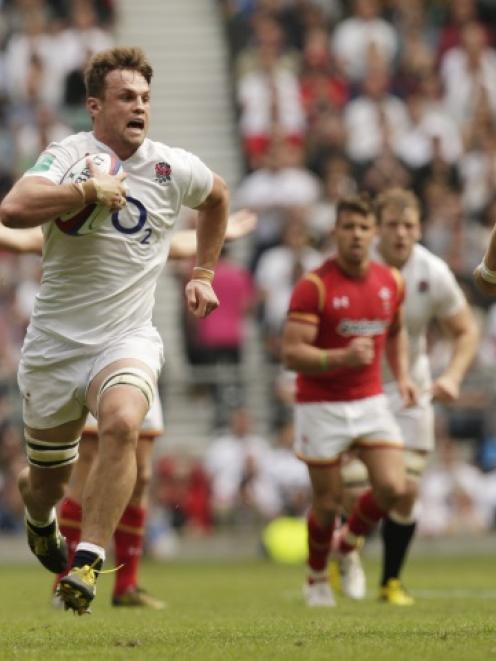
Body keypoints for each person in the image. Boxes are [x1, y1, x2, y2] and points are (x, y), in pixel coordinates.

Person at [0, 46, 229, 615]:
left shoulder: (171, 167)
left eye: (146, 98)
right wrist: (85, 192)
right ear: (95, 106)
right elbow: (13, 207)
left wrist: (203, 272)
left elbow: (219, 197)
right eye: (127, 97)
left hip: (126, 339)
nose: (139, 107)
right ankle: (39, 519)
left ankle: (88, 560)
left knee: (125, 422)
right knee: (45, 483)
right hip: (54, 348)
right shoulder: (68, 155)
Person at [0, 210, 256, 609]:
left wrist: (225, 230)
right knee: (83, 472)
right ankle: (64, 577)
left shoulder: (136, 235)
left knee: (142, 473)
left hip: (129, 355)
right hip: (79, 361)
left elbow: (179, 245)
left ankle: (127, 585)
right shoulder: (67, 233)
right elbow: (16, 237)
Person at [340, 188, 478, 605]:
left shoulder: (431, 271)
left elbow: (466, 330)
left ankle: (391, 582)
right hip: (353, 389)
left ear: (420, 227)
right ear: (377, 229)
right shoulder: (353, 267)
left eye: (410, 225)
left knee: (406, 490)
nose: (402, 234)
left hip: (408, 390)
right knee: (353, 490)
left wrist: (451, 376)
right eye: (393, 225)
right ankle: (347, 550)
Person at [281, 194, 416, 608]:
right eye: (348, 227)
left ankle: (349, 541)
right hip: (320, 405)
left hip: (370, 399)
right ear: (335, 232)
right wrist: (341, 357)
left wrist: (404, 375)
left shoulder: (391, 281)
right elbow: (290, 352)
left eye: (363, 227)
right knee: (327, 502)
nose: (356, 235)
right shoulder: (315, 286)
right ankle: (317, 578)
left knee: (396, 487)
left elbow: (395, 331)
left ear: (374, 233)